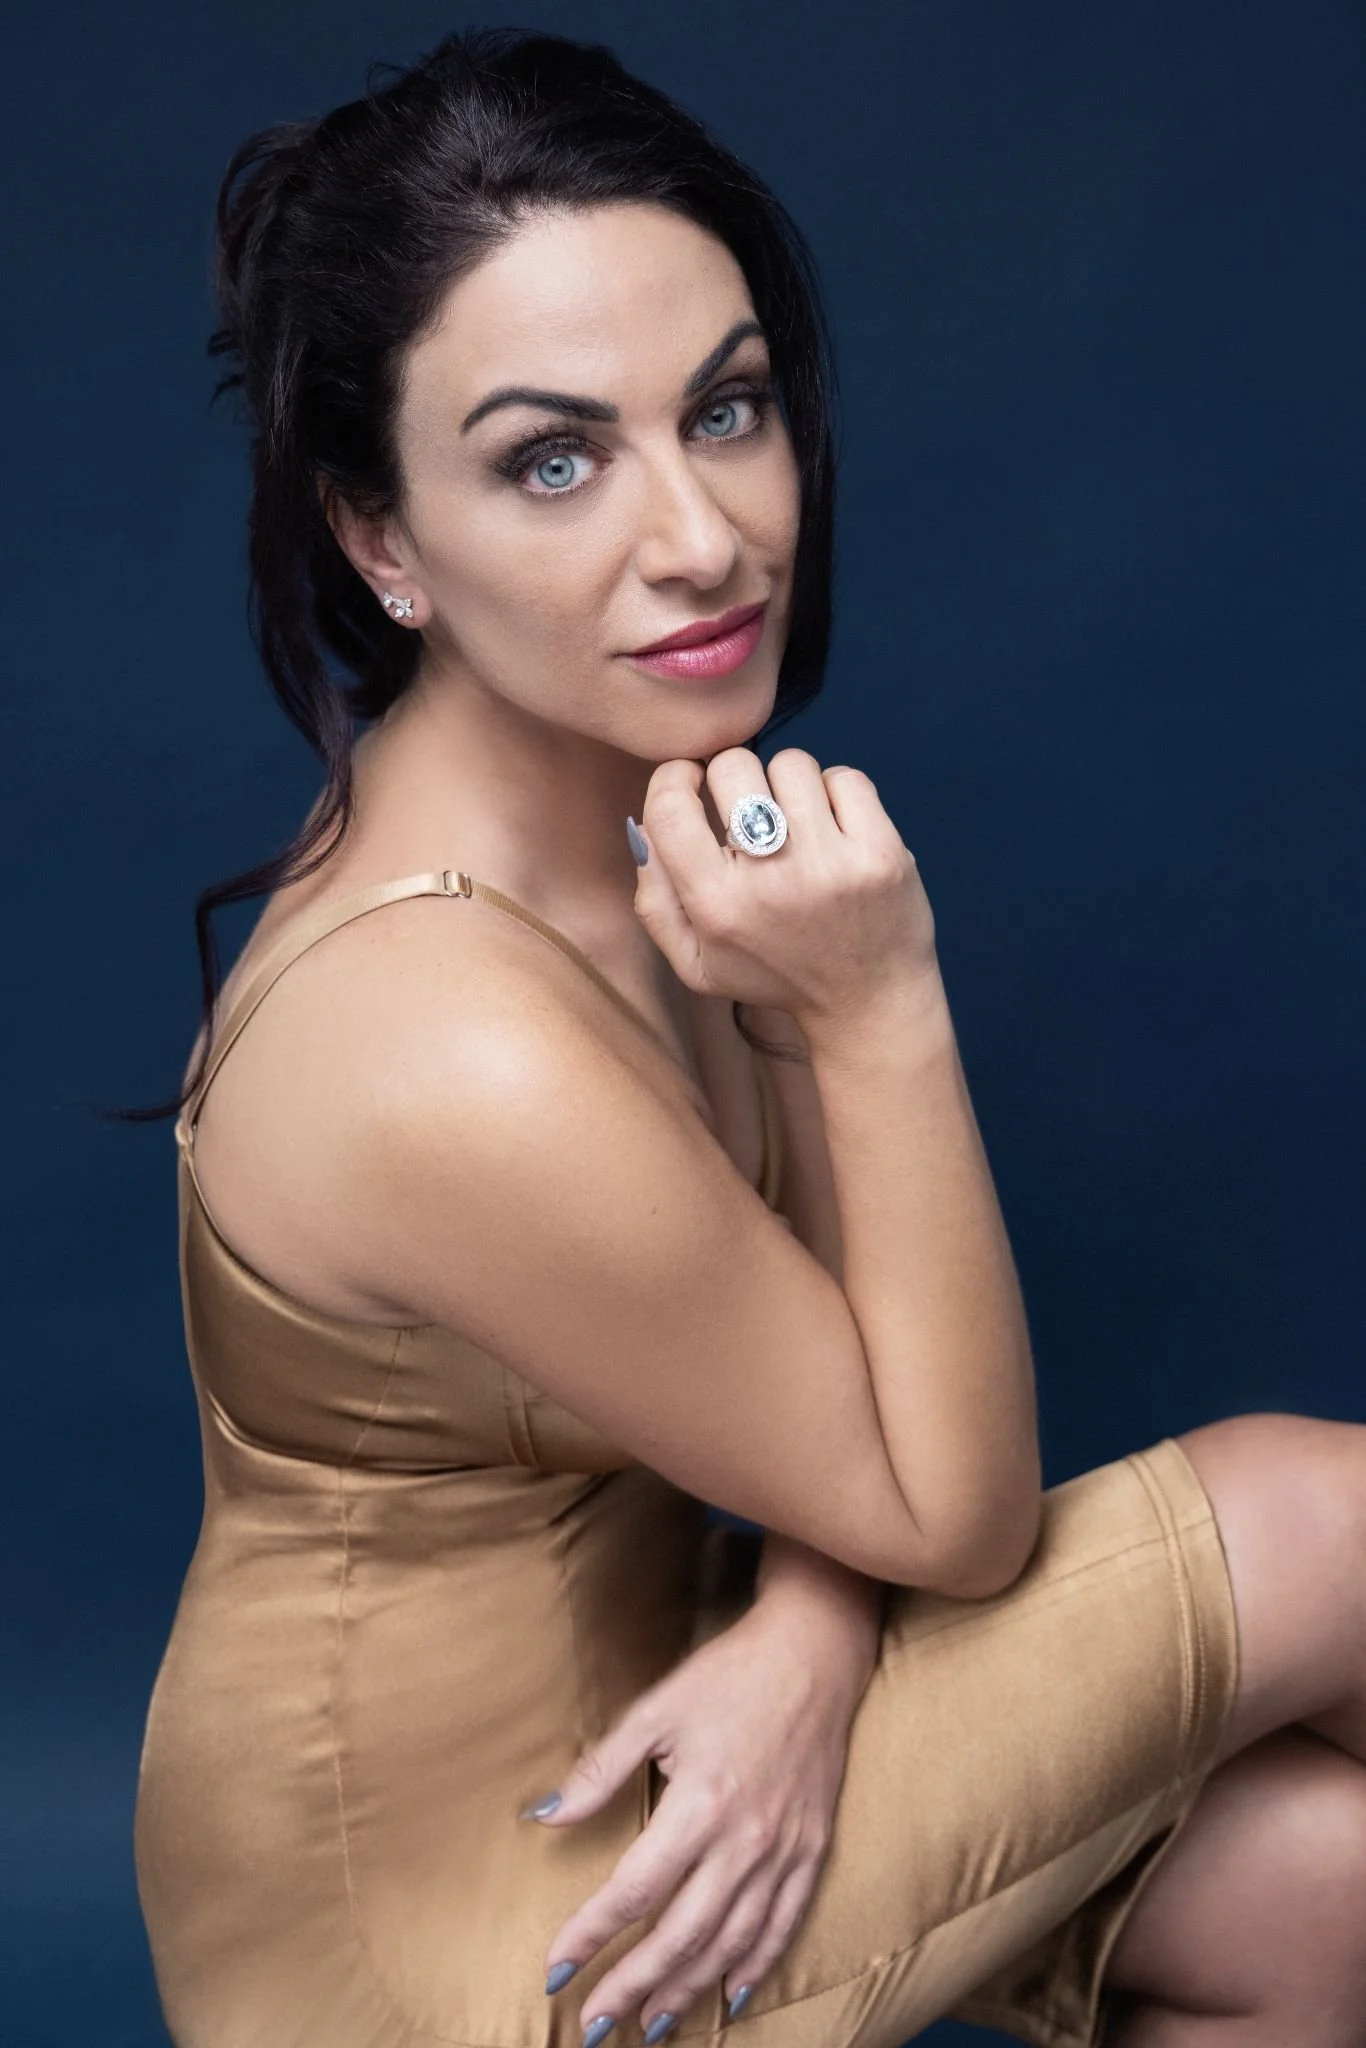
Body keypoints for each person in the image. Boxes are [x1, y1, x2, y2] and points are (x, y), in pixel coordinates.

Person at [131, 27, 1366, 2048]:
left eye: (726, 410)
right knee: (1313, 1521)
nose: (700, 537)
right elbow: (949, 1507)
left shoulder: (650, 825)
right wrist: (871, 1000)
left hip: (657, 1736)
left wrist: (804, 1636)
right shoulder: (444, 1045)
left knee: (1312, 1890)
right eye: (551, 459)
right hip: (437, 1942)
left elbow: (830, 1412)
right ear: (380, 541)